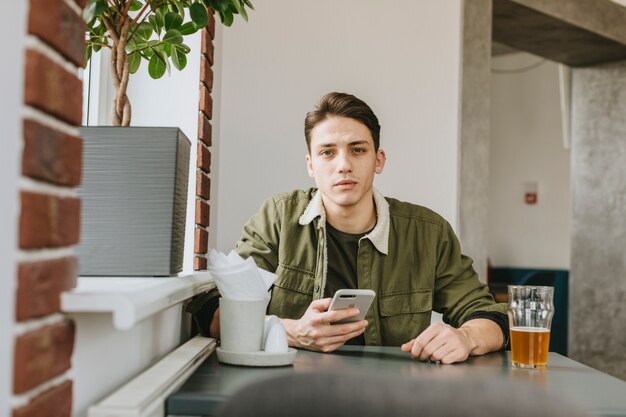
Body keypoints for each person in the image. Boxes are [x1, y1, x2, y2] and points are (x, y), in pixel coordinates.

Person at [193, 92, 508, 364]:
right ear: (311, 166)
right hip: (290, 396)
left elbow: (492, 317)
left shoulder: (427, 232)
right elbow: (215, 311)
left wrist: (465, 337)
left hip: (391, 401)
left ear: (378, 160)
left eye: (358, 149)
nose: (343, 164)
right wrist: (292, 332)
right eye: (327, 152)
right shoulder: (278, 218)